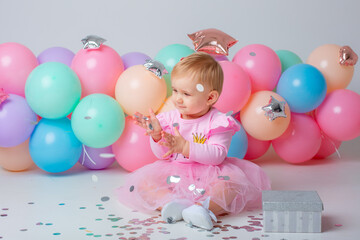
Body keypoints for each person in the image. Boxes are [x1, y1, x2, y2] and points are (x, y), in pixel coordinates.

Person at [117, 52, 271, 230]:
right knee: (144, 184)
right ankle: (171, 204)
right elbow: (162, 155)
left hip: (211, 173)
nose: (178, 98)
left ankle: (203, 208)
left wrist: (185, 147)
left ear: (210, 98)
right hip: (175, 175)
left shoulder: (218, 121)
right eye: (175, 90)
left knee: (230, 186)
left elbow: (218, 156)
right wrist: (157, 136)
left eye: (186, 93)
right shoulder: (168, 118)